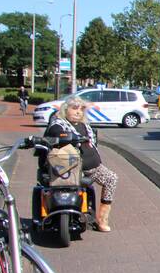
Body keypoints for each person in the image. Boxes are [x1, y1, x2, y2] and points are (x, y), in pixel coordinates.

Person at [45, 96, 118, 232]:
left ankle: (102, 219)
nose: (78, 112)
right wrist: (67, 136)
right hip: (71, 168)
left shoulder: (85, 125)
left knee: (111, 178)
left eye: (81, 109)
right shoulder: (59, 124)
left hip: (94, 167)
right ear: (66, 110)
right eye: (74, 108)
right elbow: (54, 133)